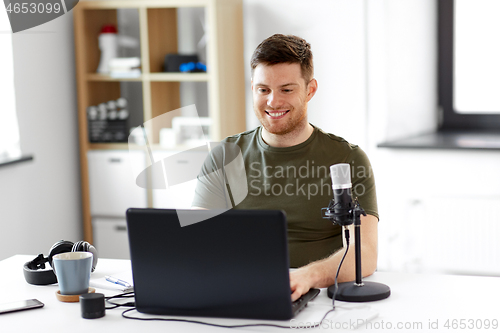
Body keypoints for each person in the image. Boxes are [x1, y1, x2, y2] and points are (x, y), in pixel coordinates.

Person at [192, 34, 379, 302]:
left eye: (287, 90)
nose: (273, 102)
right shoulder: (224, 156)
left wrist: (307, 276)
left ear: (310, 90)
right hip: (242, 291)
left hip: (322, 296)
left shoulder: (347, 159)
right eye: (263, 89)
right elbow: (196, 242)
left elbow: (364, 254)